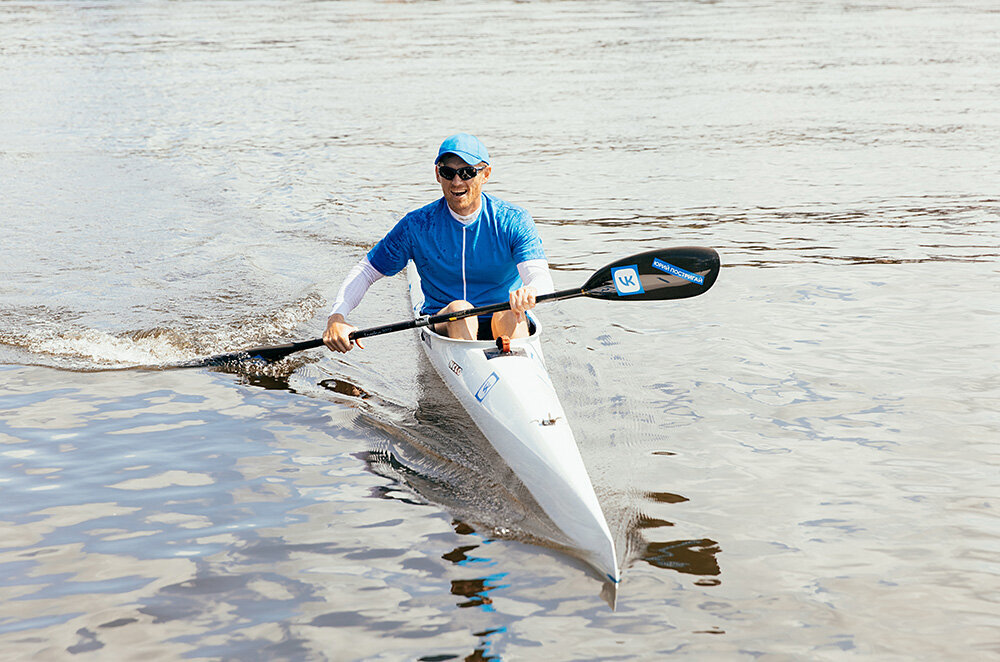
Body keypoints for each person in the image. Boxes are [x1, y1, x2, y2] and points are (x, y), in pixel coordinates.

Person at [323, 133, 554, 353]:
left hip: (504, 318)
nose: (456, 181)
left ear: (486, 174)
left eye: (467, 172)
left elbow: (542, 280)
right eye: (448, 172)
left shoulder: (513, 220)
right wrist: (337, 317)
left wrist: (532, 291)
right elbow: (366, 271)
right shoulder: (417, 226)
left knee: (506, 310)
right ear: (437, 174)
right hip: (445, 322)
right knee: (460, 309)